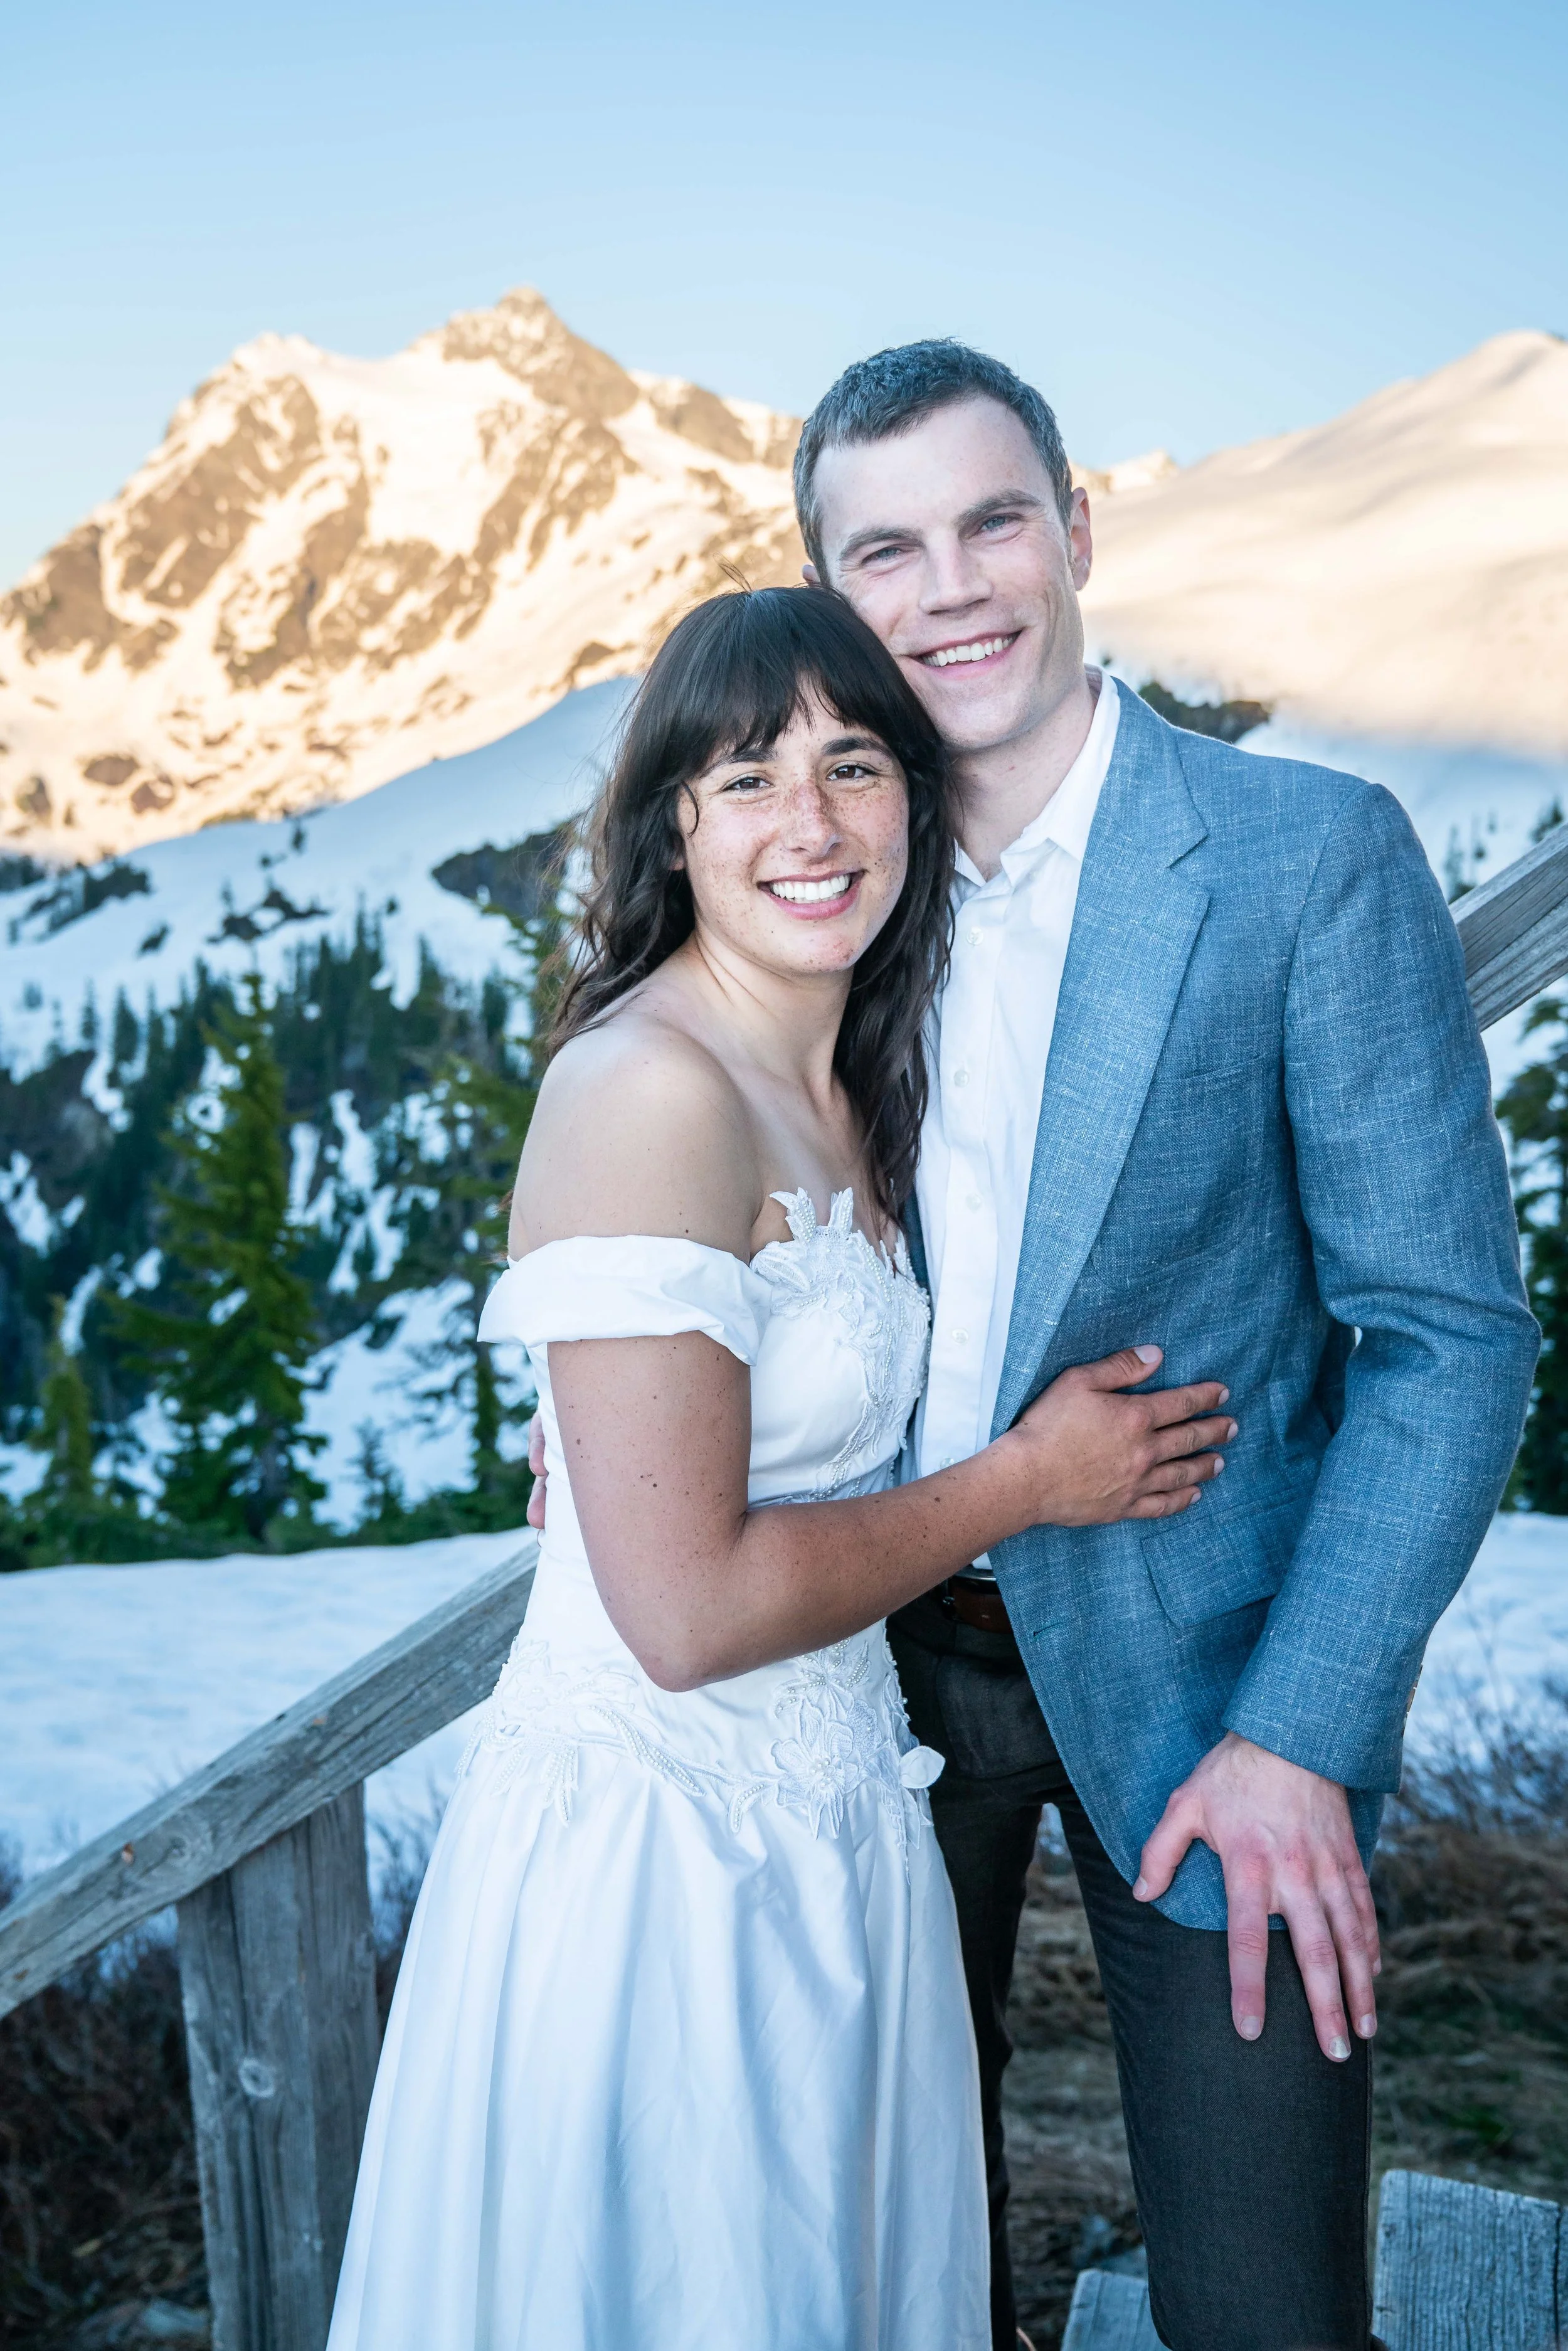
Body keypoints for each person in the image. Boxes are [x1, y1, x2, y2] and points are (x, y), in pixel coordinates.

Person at [326, 587, 1232, 2351]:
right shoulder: (650, 1086)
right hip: (662, 1867)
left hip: (829, 1827)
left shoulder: (835, 1073)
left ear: (916, 792)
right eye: (746, 778)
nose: (807, 823)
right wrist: (1030, 1480)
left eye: (851, 764)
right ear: (673, 818)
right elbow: (681, 1609)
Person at [788, 341, 1539, 2351]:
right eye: (885, 551)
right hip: (861, 1686)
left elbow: (1448, 1338)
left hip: (1223, 1683)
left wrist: (1305, 1722)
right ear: (829, 598)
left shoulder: (1305, 858)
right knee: (875, 2290)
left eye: (988, 521)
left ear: (1073, 529)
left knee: (1264, 2312)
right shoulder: (819, 874)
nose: (946, 588)